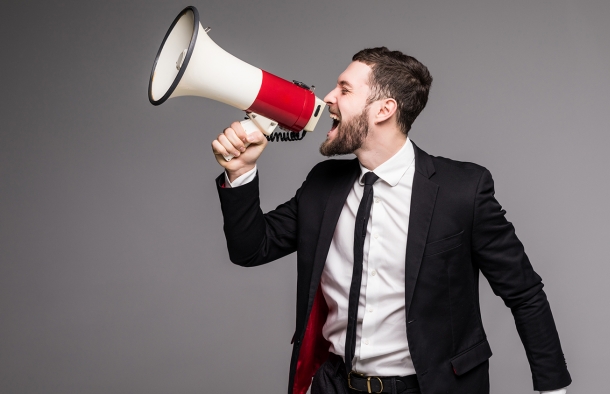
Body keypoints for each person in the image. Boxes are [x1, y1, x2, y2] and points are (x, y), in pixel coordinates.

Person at [211, 47, 572, 394]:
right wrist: (241, 172)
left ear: (384, 109)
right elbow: (250, 249)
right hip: (335, 385)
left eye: (344, 89)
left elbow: (524, 293)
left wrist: (553, 388)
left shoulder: (463, 190)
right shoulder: (322, 185)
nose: (327, 98)